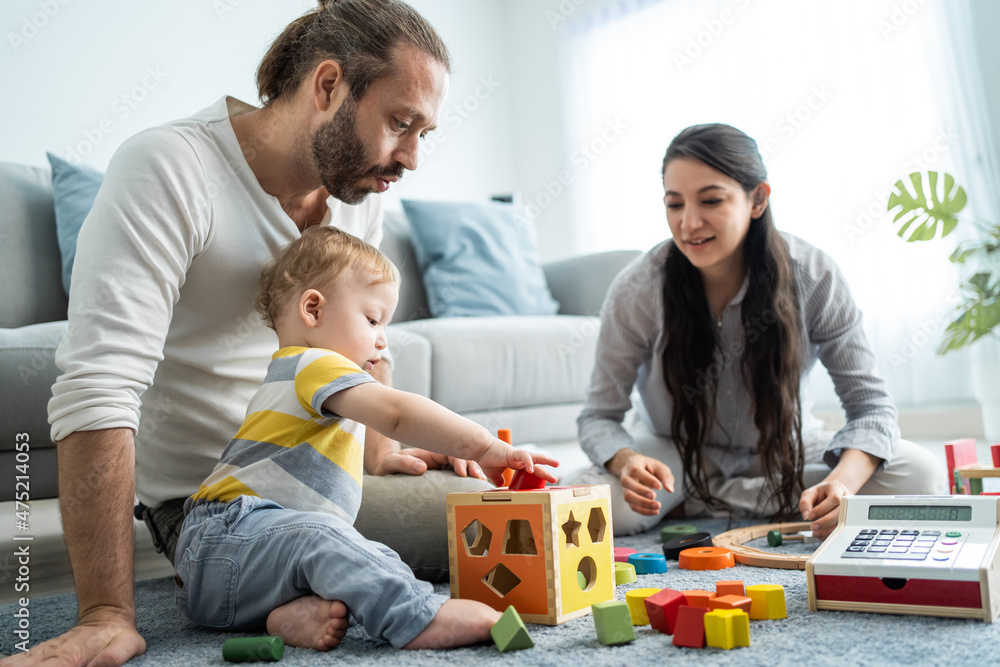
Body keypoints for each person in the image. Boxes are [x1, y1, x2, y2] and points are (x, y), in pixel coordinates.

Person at [19, 2, 491, 666]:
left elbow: (359, 344)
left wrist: (382, 450)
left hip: (320, 484)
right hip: (216, 508)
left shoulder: (361, 191)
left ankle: (278, 601)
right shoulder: (170, 167)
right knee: (487, 530)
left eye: (424, 132)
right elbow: (98, 385)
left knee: (510, 508)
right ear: (327, 86)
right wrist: (105, 613)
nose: (411, 155)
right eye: (400, 122)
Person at [175, 227, 559, 650]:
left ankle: (284, 616)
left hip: (242, 569)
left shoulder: (297, 376)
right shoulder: (314, 365)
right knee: (329, 540)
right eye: (373, 319)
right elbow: (395, 413)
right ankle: (416, 616)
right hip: (225, 537)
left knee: (356, 553)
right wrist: (484, 446)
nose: (382, 338)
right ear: (313, 309)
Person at [574, 123, 945, 538]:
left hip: (785, 451)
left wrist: (841, 484)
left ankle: (706, 499)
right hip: (675, 453)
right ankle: (736, 496)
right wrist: (626, 461)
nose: (688, 223)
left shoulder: (814, 274)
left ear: (758, 199)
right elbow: (599, 416)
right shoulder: (638, 288)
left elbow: (871, 406)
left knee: (922, 476)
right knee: (592, 505)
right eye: (674, 204)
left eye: (711, 200)